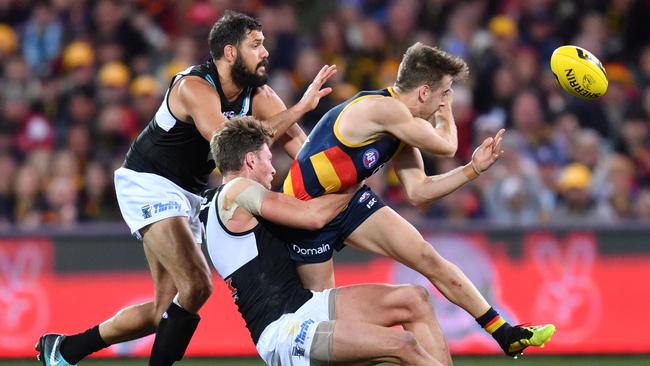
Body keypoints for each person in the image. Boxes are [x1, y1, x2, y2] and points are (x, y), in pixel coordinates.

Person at [36, 11, 336, 366]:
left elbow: (303, 153)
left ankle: (66, 349)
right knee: (197, 284)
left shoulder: (260, 96)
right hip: (150, 183)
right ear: (229, 52)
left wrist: (347, 166)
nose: (266, 53)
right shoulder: (194, 86)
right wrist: (300, 106)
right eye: (256, 45)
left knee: (165, 309)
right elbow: (228, 144)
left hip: (187, 196)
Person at [282, 42, 555, 357]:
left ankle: (503, 331)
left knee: (427, 257)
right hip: (305, 216)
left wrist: (472, 170)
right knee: (321, 324)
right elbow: (447, 146)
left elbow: (419, 190)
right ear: (424, 93)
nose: (443, 103)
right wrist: (447, 115)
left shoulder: (400, 127)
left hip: (346, 201)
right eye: (444, 94)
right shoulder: (386, 109)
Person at [203, 116, 452, 365]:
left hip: (308, 306)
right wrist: (356, 177)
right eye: (268, 159)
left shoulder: (216, 203)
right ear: (250, 160)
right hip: (285, 331)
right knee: (402, 344)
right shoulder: (236, 190)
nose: (273, 168)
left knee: (414, 299)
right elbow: (312, 216)